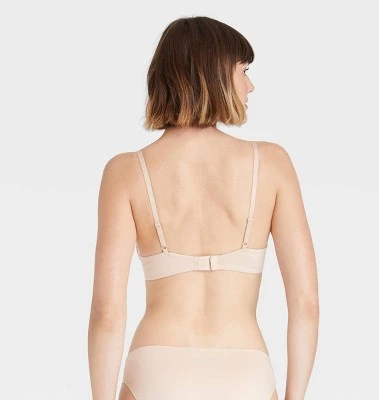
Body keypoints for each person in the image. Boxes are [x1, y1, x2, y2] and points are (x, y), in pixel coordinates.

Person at [88, 16, 319, 400]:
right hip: (245, 370)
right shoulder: (272, 164)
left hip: (155, 370)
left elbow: (107, 313)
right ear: (215, 73)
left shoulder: (125, 172)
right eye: (244, 71)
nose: (250, 86)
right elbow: (306, 304)